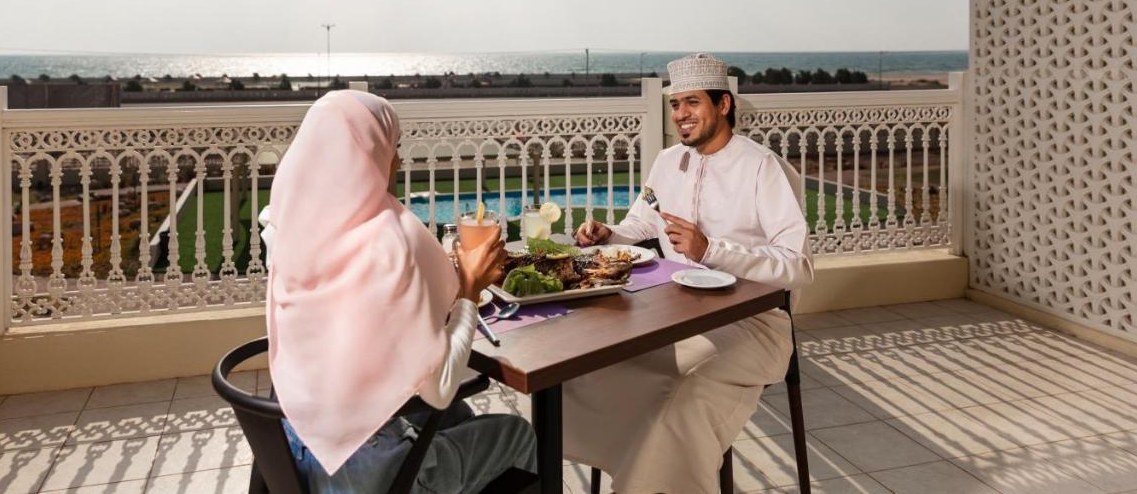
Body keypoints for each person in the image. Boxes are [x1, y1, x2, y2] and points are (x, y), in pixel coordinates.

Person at [264, 89, 536, 493]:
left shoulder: (284, 225)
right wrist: (469, 290)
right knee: (518, 432)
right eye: (394, 147)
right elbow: (440, 387)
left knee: (458, 415)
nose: (398, 160)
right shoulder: (385, 245)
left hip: (299, 449)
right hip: (379, 476)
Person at [568, 53, 813, 494]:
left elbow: (797, 265)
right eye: (676, 104)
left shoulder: (762, 167)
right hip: (670, 314)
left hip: (752, 324)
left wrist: (712, 250)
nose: (680, 114)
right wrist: (611, 233)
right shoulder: (667, 162)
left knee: (679, 405)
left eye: (692, 103)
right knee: (590, 375)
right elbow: (643, 223)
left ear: (723, 105)